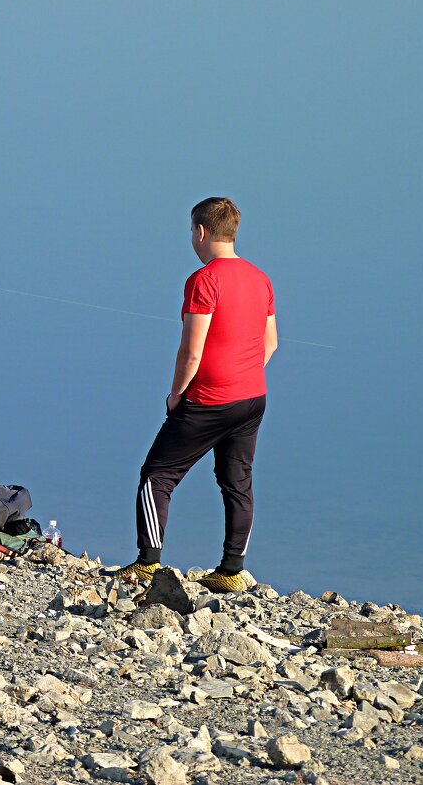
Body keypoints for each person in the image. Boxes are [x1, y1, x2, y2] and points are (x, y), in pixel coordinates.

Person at [119, 197, 277, 593]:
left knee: (156, 476)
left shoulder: (203, 280)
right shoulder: (261, 279)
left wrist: (176, 395)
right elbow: (270, 343)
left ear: (201, 232)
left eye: (192, 231)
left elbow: (191, 350)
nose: (192, 238)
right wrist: (243, 375)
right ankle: (231, 569)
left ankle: (147, 563)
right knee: (237, 481)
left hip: (208, 400)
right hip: (252, 398)